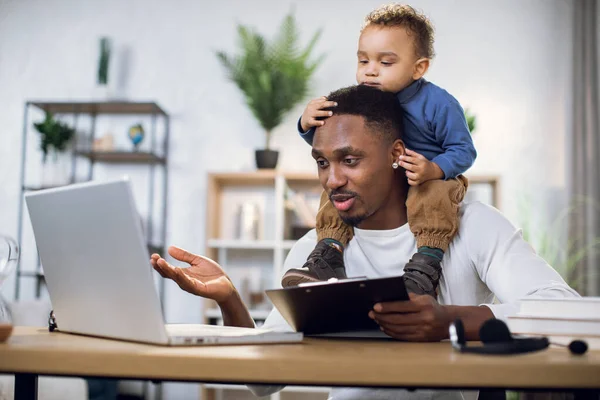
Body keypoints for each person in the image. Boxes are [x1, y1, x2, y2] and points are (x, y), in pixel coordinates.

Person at [152, 85, 578, 400]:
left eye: (349, 160)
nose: (331, 180)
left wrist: (451, 320)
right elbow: (264, 382)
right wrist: (229, 299)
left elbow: (564, 309)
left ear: (397, 154)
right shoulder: (317, 250)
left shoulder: (471, 225)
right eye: (322, 162)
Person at [283, 4, 477, 298]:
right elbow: (338, 147)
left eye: (386, 63)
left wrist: (434, 169)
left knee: (433, 198)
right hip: (386, 179)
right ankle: (328, 254)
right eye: (363, 61)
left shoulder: (439, 104)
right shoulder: (362, 101)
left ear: (418, 68)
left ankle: (425, 265)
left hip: (429, 178)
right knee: (335, 191)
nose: (370, 71)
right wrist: (305, 123)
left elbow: (464, 150)